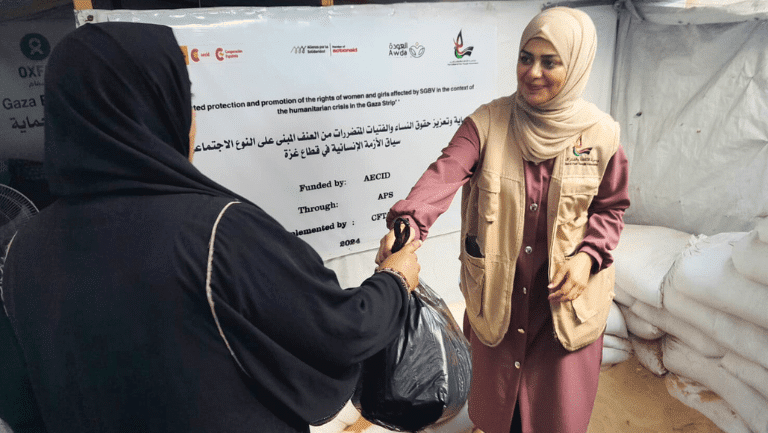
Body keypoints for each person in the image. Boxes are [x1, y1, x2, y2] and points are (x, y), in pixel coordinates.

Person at [1, 22, 421, 433]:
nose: (193, 117)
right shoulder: (217, 232)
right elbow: (342, 329)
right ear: (157, 108)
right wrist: (395, 280)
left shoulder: (23, 247)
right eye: (184, 97)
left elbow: (20, 400)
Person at [376, 7, 630, 433]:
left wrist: (588, 258)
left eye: (550, 62)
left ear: (578, 64)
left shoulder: (602, 136)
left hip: (562, 308)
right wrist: (408, 228)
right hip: (500, 301)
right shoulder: (488, 123)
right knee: (499, 414)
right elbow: (444, 173)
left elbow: (610, 208)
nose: (532, 72)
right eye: (525, 57)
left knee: (555, 417)